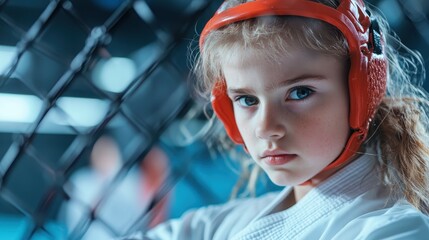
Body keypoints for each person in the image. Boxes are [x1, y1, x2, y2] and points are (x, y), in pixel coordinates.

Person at [124, 0, 429, 239]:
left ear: (361, 92)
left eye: (299, 93)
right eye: (247, 100)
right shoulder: (219, 226)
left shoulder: (393, 231)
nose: (266, 127)